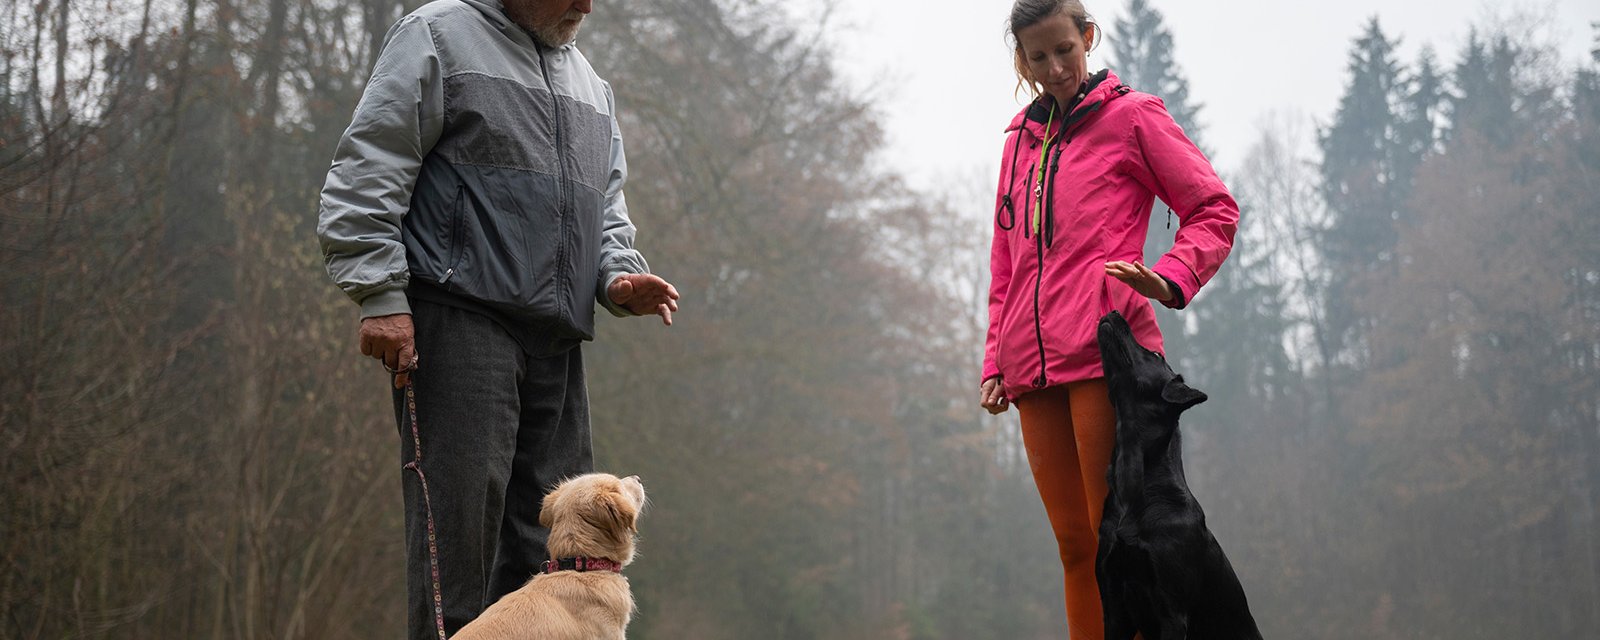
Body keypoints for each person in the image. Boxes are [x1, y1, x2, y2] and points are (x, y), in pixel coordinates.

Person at [315, 1, 679, 637]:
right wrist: (378, 291)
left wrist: (619, 277)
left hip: (558, 340)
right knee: (455, 543)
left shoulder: (592, 87)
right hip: (459, 322)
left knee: (564, 561)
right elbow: (369, 166)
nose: (586, 6)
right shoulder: (437, 37)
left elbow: (608, 211)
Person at [979, 1, 1238, 637]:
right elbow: (1005, 263)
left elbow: (1213, 208)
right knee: (1073, 547)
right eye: (1038, 57)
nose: (1055, 67)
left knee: (1119, 544)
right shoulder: (1018, 141)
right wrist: (995, 360)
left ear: (1088, 37)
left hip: (1105, 355)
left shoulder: (1133, 118)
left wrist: (1171, 275)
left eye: (1065, 49)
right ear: (1022, 59)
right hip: (1031, 371)